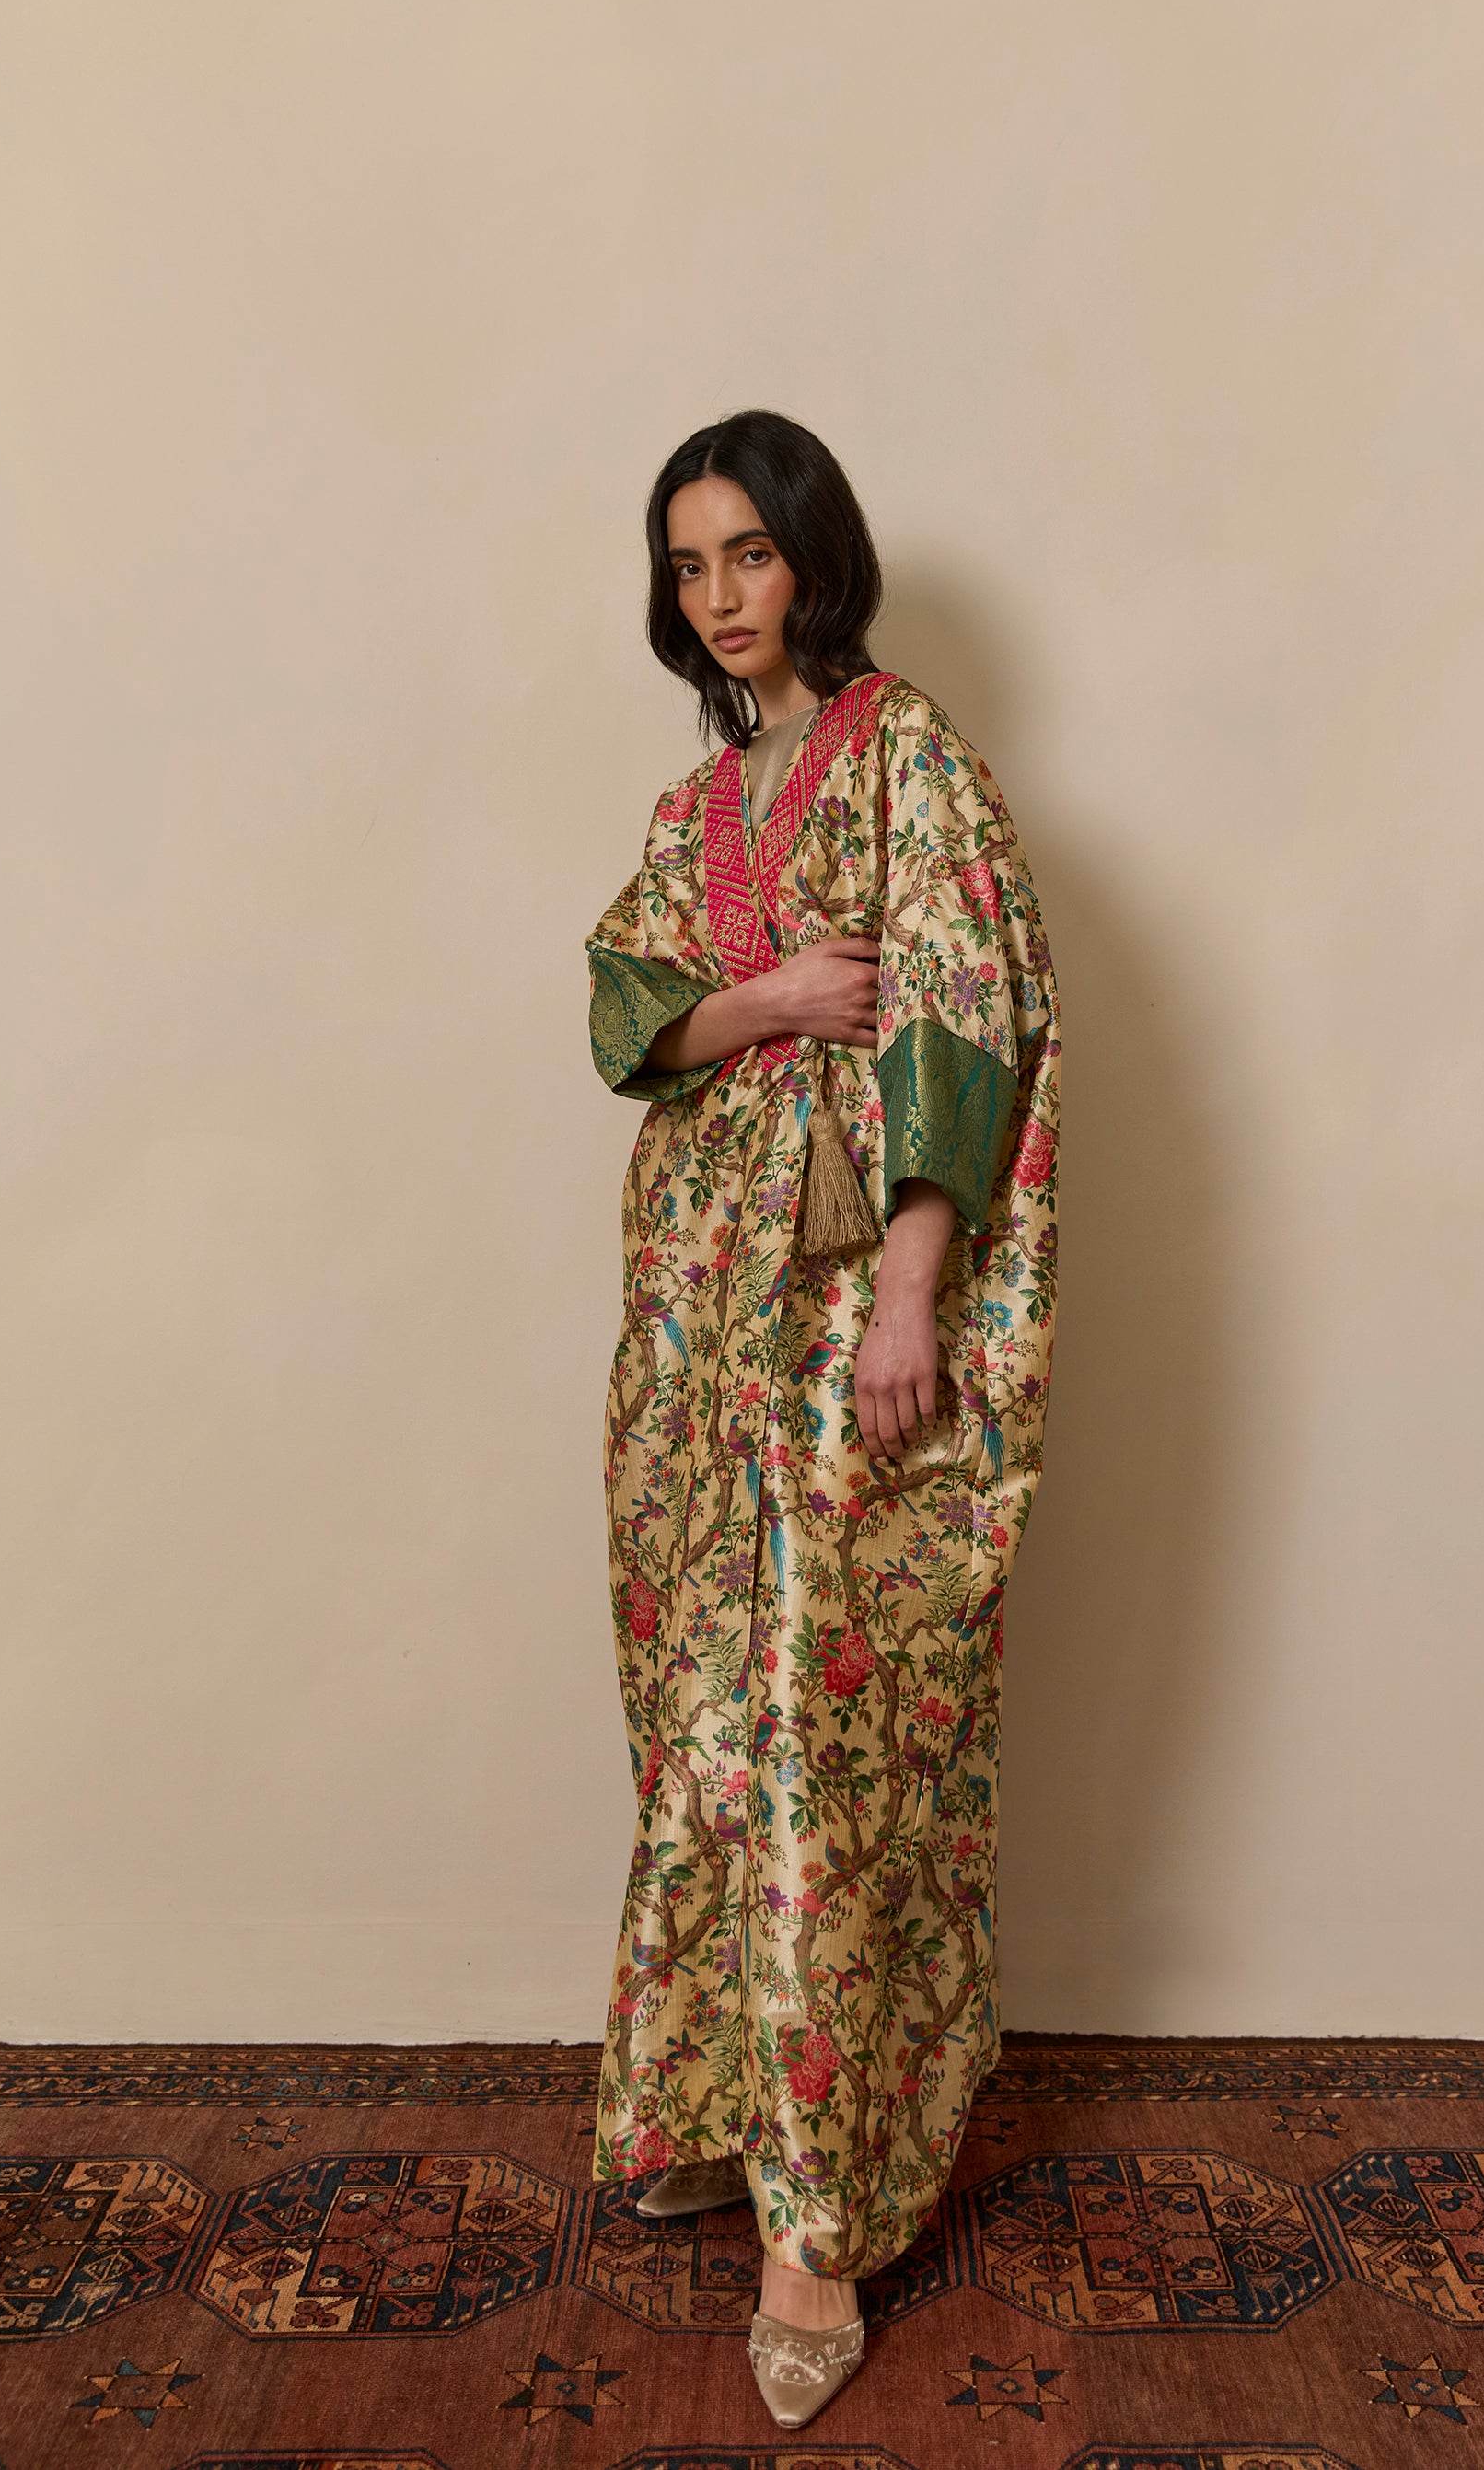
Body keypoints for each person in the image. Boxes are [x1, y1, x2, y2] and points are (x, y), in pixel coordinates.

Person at [583, 408, 1060, 2429]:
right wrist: (770, 1002)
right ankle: (726, 2099)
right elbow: (626, 1015)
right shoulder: (699, 803)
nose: (719, 595)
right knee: (705, 1713)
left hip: (839, 1304)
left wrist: (910, 1293)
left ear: (815, 557)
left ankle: (818, 2224)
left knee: (822, 1727)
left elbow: (968, 1011)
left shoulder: (910, 756)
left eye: (749, 555)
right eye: (689, 563)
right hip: (694, 1323)